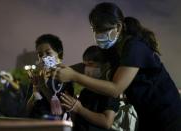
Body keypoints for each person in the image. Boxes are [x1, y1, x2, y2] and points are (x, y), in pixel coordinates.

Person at [53, 2, 181, 131]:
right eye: (94, 29)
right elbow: (87, 65)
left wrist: (74, 76)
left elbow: (116, 88)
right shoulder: (114, 51)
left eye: (102, 29)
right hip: (146, 114)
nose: (97, 34)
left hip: (168, 115)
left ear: (118, 27)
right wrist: (58, 69)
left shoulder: (134, 47)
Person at [60, 45, 120, 131]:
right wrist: (71, 105)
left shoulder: (109, 91)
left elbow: (107, 122)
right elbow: (78, 116)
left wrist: (80, 109)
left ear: (105, 66)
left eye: (91, 64)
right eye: (85, 65)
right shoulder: (86, 90)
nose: (87, 68)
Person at [26, 34, 74, 119]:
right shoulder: (37, 77)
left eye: (48, 53)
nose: (44, 57)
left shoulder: (65, 79)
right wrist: (35, 92)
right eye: (40, 55)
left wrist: (42, 86)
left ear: (60, 55)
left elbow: (60, 111)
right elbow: (27, 109)